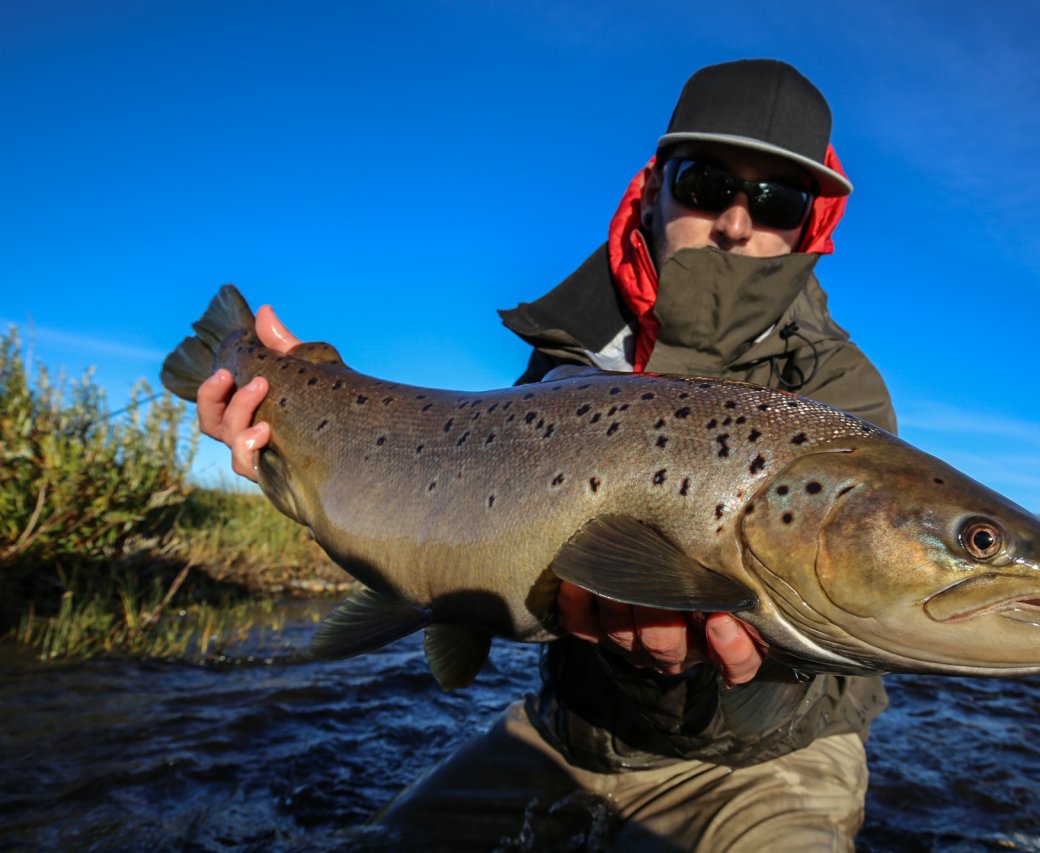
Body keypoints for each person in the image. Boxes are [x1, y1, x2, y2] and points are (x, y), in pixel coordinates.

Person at [197, 59, 896, 851]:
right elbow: (440, 513)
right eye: (707, 184)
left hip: (769, 763)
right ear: (656, 184)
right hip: (570, 730)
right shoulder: (567, 353)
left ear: (810, 224)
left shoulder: (843, 398)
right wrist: (293, 438)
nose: (737, 222)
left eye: (777, 199)